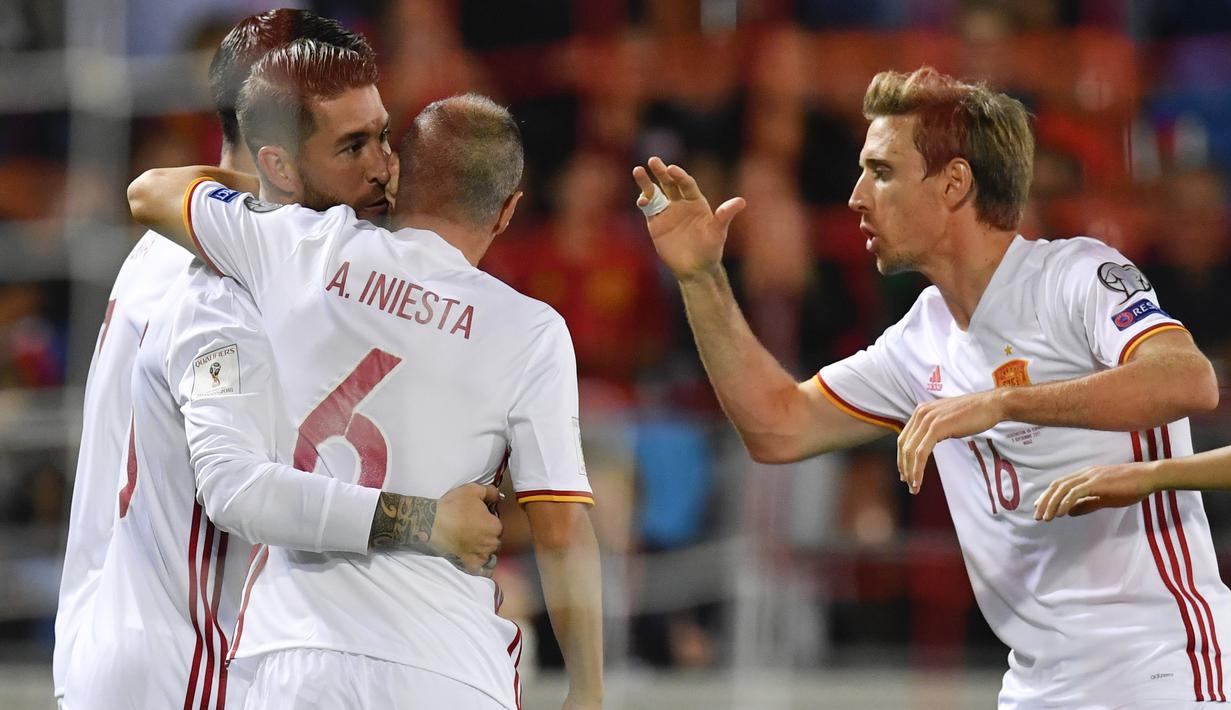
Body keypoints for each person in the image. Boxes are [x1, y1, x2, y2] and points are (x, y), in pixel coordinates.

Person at [632, 66, 1228, 708]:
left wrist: (1002, 402)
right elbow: (777, 427)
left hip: (1162, 664)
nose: (857, 195)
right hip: (1036, 685)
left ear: (953, 183)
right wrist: (701, 279)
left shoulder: (1078, 275)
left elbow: (1189, 380)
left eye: (882, 171)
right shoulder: (919, 338)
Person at [57, 12, 500, 710]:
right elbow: (234, 487)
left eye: (383, 135)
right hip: (189, 669)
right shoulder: (227, 289)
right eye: (352, 145)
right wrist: (425, 522)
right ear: (278, 160)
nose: (386, 169)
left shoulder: (171, 239)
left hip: (121, 649)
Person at [127, 85, 603, 709]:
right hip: (450, 670)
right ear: (508, 210)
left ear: (397, 174)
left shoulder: (302, 241)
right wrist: (587, 691)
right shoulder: (532, 330)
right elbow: (563, 531)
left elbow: (151, 191)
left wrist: (291, 185)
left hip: (297, 659)